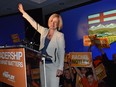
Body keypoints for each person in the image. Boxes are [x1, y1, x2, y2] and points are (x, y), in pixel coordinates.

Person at [18, 3, 65, 87]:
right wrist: (23, 12)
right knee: (44, 85)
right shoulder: (44, 31)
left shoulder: (60, 35)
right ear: (49, 21)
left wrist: (60, 68)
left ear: (58, 24)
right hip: (43, 64)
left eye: (55, 22)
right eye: (51, 21)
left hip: (53, 66)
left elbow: (61, 52)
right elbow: (33, 23)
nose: (53, 23)